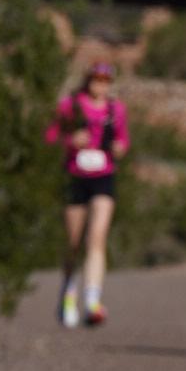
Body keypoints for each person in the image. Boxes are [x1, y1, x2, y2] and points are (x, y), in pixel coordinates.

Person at [45, 57, 128, 328]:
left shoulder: (116, 110)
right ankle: (69, 293)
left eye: (106, 81)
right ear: (88, 80)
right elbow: (50, 136)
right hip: (75, 176)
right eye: (96, 80)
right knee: (74, 242)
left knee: (97, 237)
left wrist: (119, 148)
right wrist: (71, 141)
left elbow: (123, 139)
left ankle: (93, 300)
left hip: (104, 176)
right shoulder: (70, 106)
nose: (100, 86)